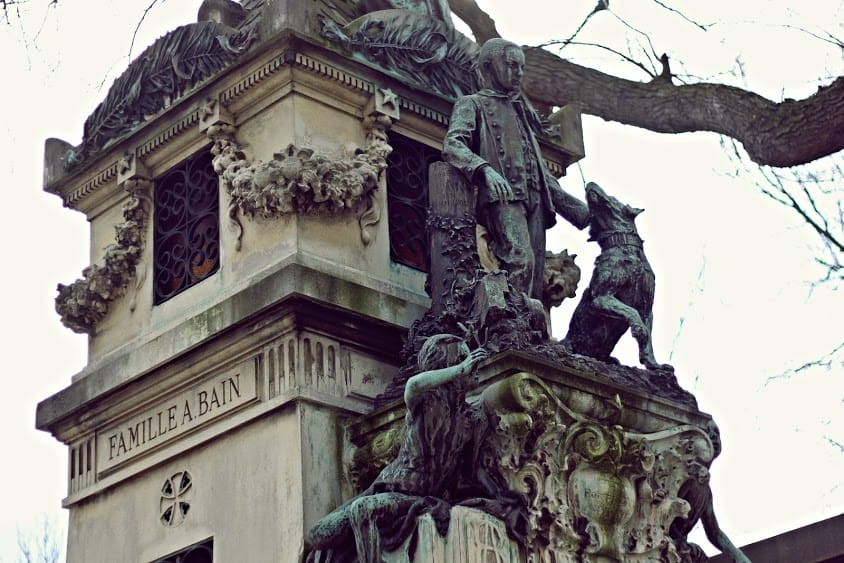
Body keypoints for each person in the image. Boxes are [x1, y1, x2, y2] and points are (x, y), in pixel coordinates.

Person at [306, 335, 489, 562]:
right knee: (318, 535)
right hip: (388, 486)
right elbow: (414, 385)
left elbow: (471, 474)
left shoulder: (474, 419)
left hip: (413, 497)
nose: (473, 362)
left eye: (470, 357)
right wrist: (460, 369)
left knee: (364, 510)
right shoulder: (425, 402)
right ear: (444, 369)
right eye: (463, 357)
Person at [442, 38, 589, 301]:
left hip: (535, 201)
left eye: (521, 67)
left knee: (534, 274)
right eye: (511, 66)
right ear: (490, 67)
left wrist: (578, 210)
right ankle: (510, 327)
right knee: (521, 261)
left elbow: (539, 169)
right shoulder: (472, 104)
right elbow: (453, 144)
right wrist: (484, 169)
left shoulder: (521, 112)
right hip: (503, 197)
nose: (518, 73)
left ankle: (527, 331)